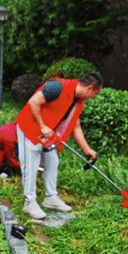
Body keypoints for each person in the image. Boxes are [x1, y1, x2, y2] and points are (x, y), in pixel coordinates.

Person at [16, 73, 103, 219]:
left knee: (52, 162)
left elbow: (76, 126)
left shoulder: (78, 102)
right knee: (30, 166)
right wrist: (43, 126)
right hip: (30, 128)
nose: (95, 96)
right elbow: (33, 102)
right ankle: (29, 202)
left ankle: (51, 198)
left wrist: (87, 149)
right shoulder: (57, 86)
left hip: (48, 134)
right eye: (96, 93)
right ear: (89, 88)